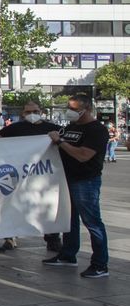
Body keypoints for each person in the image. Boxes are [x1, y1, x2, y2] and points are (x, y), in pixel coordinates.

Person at [43, 94, 110, 278]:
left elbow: (83, 155)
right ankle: (68, 254)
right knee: (69, 220)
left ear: (86, 109)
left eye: (73, 109)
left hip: (85, 181)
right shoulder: (71, 127)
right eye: (68, 107)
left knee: (92, 222)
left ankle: (100, 264)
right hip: (67, 179)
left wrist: (60, 141)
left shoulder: (97, 130)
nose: (69, 111)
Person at [0, 101, 62, 251]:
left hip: (45, 175)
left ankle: (52, 238)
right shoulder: (14, 128)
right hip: (21, 175)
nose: (32, 114)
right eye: (28, 112)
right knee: (15, 206)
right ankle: (10, 237)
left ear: (41, 111)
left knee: (48, 207)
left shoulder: (52, 128)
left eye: (35, 111)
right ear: (23, 113)